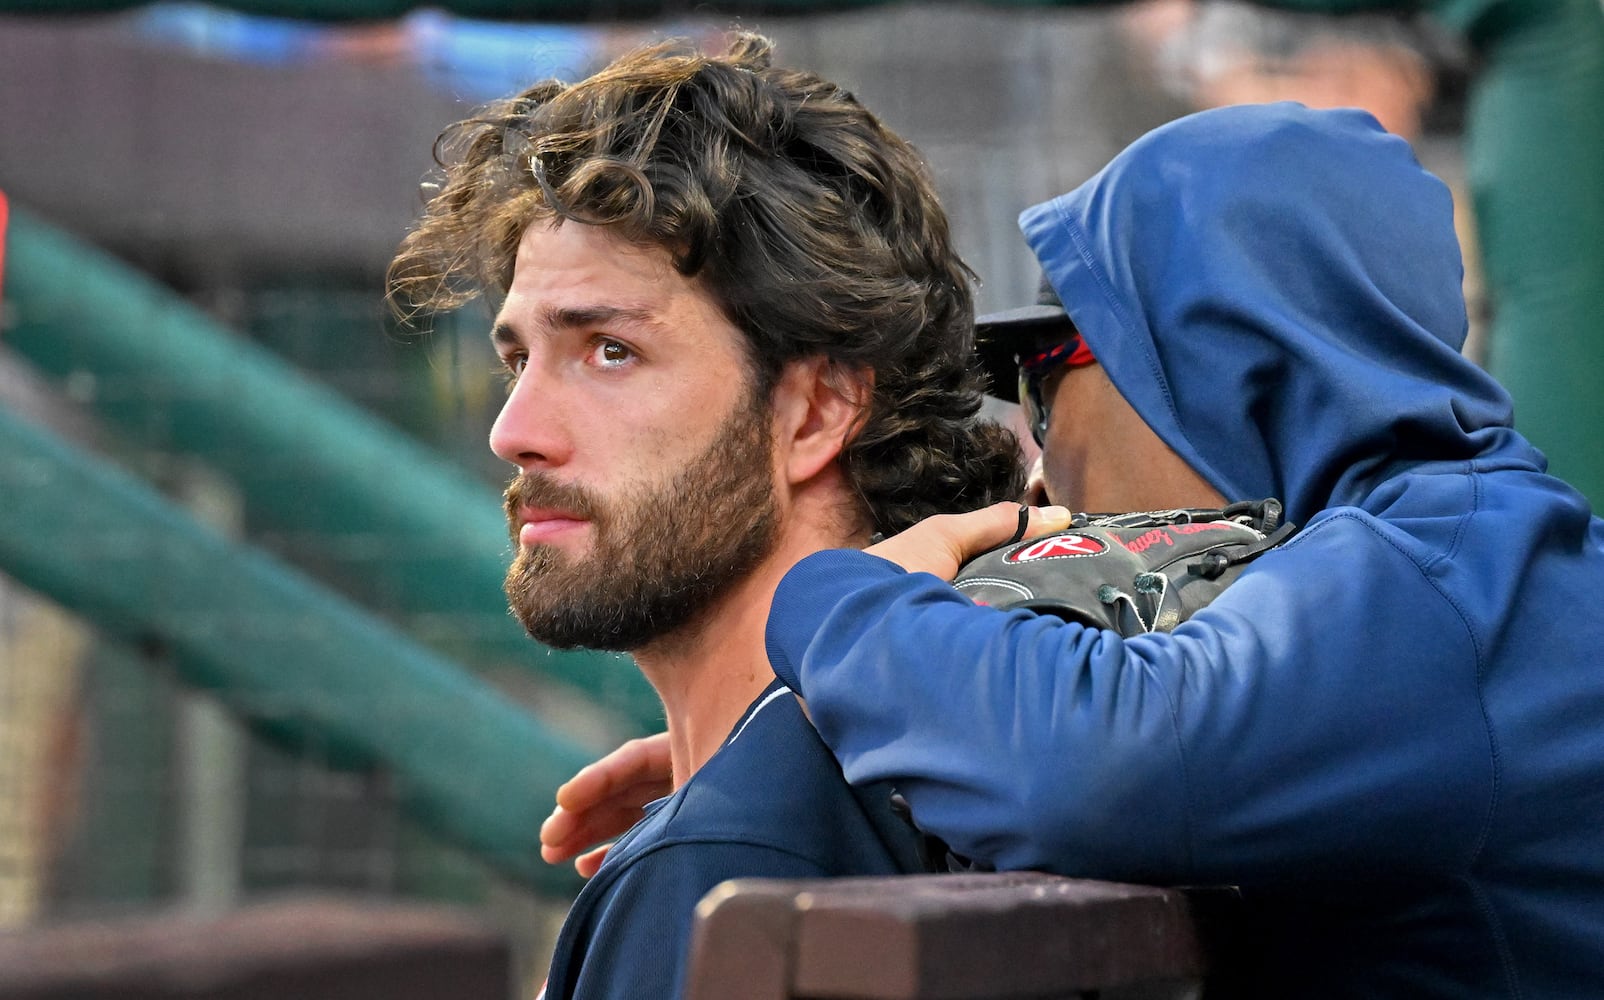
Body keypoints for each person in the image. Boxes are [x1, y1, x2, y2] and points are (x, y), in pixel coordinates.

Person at [544, 103, 1604, 996]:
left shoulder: (1447, 579)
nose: (1036, 464)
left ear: (1217, 353)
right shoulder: (1466, 568)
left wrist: (840, 615)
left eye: (1045, 375)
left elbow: (1106, 762)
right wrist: (841, 739)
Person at [387, 32, 1025, 1000]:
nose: (514, 432)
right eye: (517, 359)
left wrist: (733, 812)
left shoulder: (731, 869)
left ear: (814, 410)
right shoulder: (999, 765)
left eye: (609, 350)